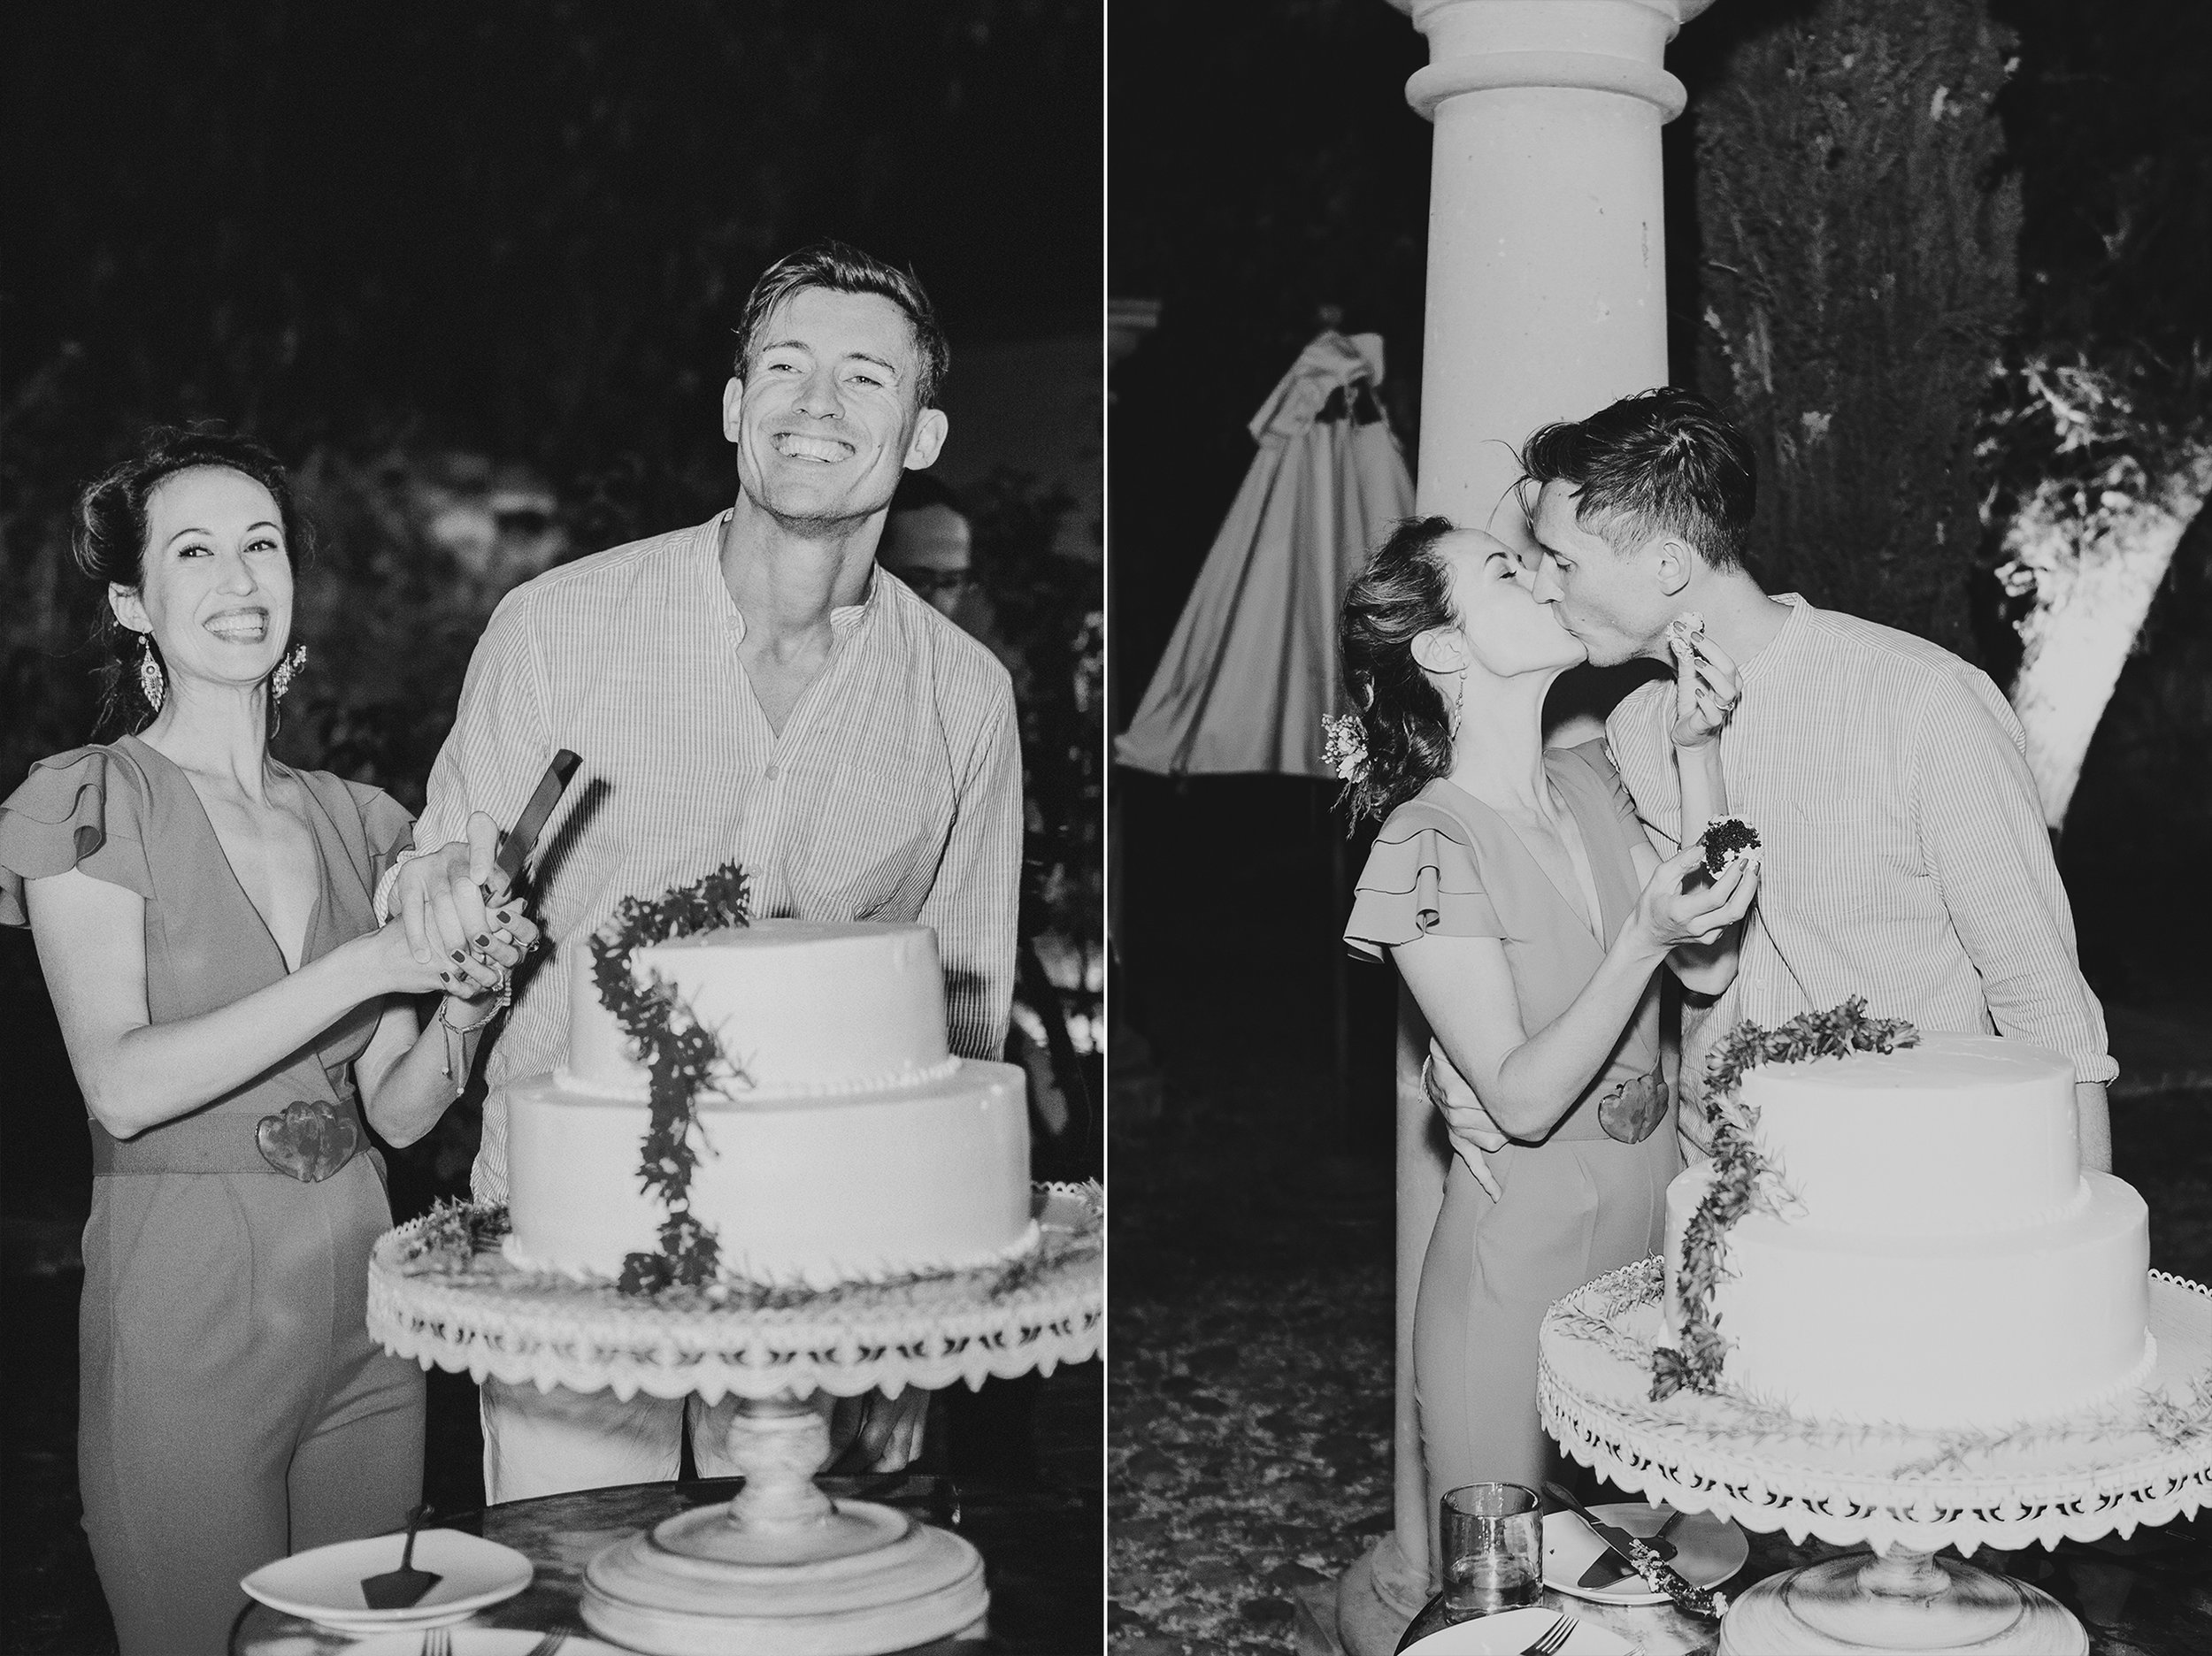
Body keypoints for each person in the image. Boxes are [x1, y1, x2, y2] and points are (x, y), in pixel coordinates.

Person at [384, 241, 1023, 1502]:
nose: (816, 405)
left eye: (863, 379)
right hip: (566, 1245)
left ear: (925, 432)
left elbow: (963, 1022)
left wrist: (918, 1335)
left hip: (820, 1268)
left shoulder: (964, 699)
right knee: (574, 1606)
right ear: (736, 408)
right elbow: (438, 878)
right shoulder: (555, 628)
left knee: (785, 1623)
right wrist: (436, 898)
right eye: (783, 368)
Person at [0, 427, 538, 1656]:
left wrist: (463, 996)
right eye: (194, 552)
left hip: (363, 1297)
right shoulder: (86, 797)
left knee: (362, 1646)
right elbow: (123, 1085)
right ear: (134, 601)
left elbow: (397, 1112)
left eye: (262, 545)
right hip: (183, 1300)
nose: (239, 578)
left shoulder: (361, 822)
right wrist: (370, 964)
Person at [1428, 388, 2116, 1172]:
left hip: (1918, 1182)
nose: (1544, 585)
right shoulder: (1635, 730)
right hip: (1718, 1198)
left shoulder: (1922, 702)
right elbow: (1578, 916)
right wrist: (1460, 1060)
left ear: (1666, 564)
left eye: (1563, 560)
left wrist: (2090, 1248)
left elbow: (2042, 995)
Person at [1337, 515, 1758, 1551]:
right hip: (1511, 1261)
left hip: (1650, 1243)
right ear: (1442, 648)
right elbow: (1517, 1097)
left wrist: (1697, 755)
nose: (1538, 576)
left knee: (1658, 1578)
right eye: (1503, 570)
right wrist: (1638, 943)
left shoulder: (1593, 781)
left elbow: (1708, 959)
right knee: (1502, 1587)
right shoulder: (1422, 841)